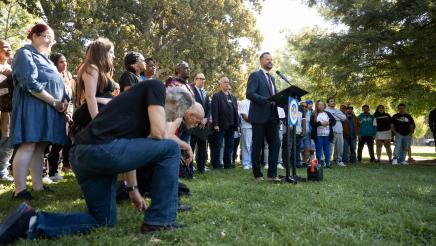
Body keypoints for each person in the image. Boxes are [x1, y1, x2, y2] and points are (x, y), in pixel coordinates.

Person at [0, 84, 194, 244]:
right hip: (100, 150)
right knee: (170, 148)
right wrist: (177, 138)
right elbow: (160, 134)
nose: (172, 119)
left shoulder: (139, 117)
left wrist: (133, 190)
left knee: (103, 220)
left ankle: (30, 221)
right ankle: (161, 219)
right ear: (175, 103)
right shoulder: (156, 87)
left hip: (85, 156)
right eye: (175, 114)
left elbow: (131, 153)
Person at [11, 24, 69, 199]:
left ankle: (38, 186)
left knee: (40, 146)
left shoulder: (45, 58)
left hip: (47, 108)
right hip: (32, 106)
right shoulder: (24, 53)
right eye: (46, 35)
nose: (51, 40)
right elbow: (29, 82)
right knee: (28, 144)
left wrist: (63, 100)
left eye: (52, 37)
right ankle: (19, 190)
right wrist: (53, 101)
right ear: (34, 36)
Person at [246, 52, 280, 181]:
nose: (270, 61)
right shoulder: (255, 75)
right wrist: (266, 100)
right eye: (267, 59)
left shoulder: (272, 78)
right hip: (259, 116)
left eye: (271, 59)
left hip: (272, 117)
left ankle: (272, 175)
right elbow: (250, 94)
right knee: (257, 145)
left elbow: (275, 96)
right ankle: (257, 174)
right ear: (261, 61)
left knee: (275, 144)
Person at [73, 38, 115, 129]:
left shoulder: (103, 71)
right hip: (93, 115)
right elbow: (89, 96)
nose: (114, 56)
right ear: (102, 52)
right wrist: (97, 121)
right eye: (111, 52)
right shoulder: (91, 68)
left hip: (104, 113)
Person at [46, 53, 75, 180]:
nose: (65, 64)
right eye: (61, 62)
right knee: (46, 144)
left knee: (59, 143)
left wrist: (69, 112)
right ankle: (42, 172)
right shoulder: (50, 77)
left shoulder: (68, 77)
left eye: (65, 61)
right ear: (54, 63)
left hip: (64, 115)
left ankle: (53, 172)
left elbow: (71, 99)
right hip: (52, 113)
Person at [211, 77, 239, 169]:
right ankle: (216, 164)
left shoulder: (233, 97)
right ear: (221, 84)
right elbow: (214, 111)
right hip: (220, 125)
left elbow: (236, 112)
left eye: (228, 82)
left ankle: (227, 164)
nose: (227, 84)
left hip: (231, 125)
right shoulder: (216, 96)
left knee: (230, 145)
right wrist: (215, 124)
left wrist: (237, 124)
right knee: (218, 145)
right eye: (225, 82)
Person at [189, 73, 210, 173]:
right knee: (191, 146)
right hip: (193, 123)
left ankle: (201, 167)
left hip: (203, 124)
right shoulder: (190, 90)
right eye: (201, 79)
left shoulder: (205, 93)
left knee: (202, 147)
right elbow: (189, 106)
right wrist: (198, 120)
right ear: (195, 80)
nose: (203, 81)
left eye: (204, 79)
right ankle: (189, 166)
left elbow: (208, 108)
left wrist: (206, 119)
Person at [0, 39, 14, 181]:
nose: (9, 49)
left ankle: (2, 170)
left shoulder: (11, 67)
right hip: (1, 109)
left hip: (9, 109)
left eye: (10, 47)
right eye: (5, 47)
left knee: (8, 140)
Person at [310, 101, 336, 168]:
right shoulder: (314, 114)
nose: (321, 106)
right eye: (319, 105)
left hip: (327, 135)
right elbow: (312, 124)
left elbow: (334, 121)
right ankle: (319, 164)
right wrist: (320, 123)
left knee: (327, 149)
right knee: (318, 149)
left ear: (324, 106)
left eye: (322, 105)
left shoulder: (327, 113)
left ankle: (328, 164)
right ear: (317, 106)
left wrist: (328, 123)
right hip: (318, 135)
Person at [325, 97, 347, 167]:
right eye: (331, 101)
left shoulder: (337, 110)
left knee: (339, 147)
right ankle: (327, 161)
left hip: (340, 131)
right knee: (330, 147)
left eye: (334, 101)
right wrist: (338, 117)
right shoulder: (325, 110)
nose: (333, 102)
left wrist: (335, 115)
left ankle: (338, 160)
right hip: (330, 131)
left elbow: (344, 118)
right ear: (328, 103)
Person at [239, 99, 252, 170]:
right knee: (247, 145)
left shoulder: (256, 102)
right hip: (247, 127)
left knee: (254, 146)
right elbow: (244, 116)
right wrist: (255, 121)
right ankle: (245, 163)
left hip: (256, 127)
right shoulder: (243, 102)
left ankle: (251, 163)